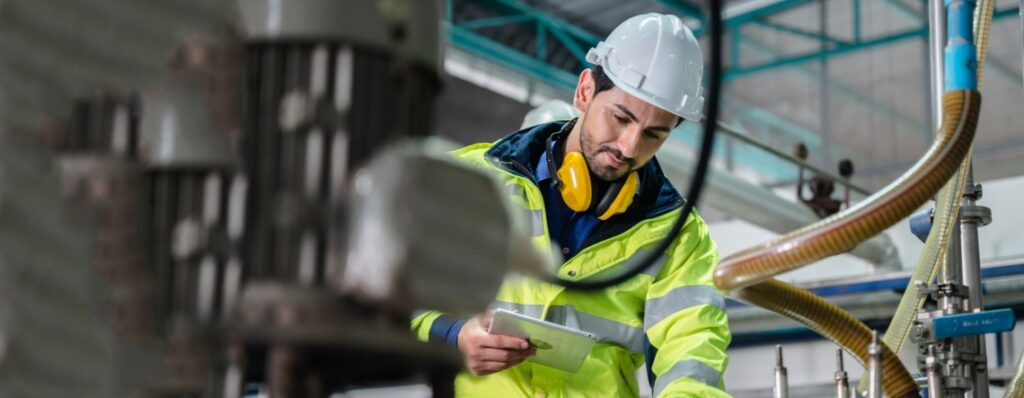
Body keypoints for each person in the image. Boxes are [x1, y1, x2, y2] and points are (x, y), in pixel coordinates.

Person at [412, 13, 730, 398]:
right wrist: (454, 334)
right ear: (584, 91)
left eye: (653, 134)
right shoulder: (473, 182)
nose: (629, 147)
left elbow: (693, 358)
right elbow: (393, 297)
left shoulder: (680, 237)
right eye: (621, 118)